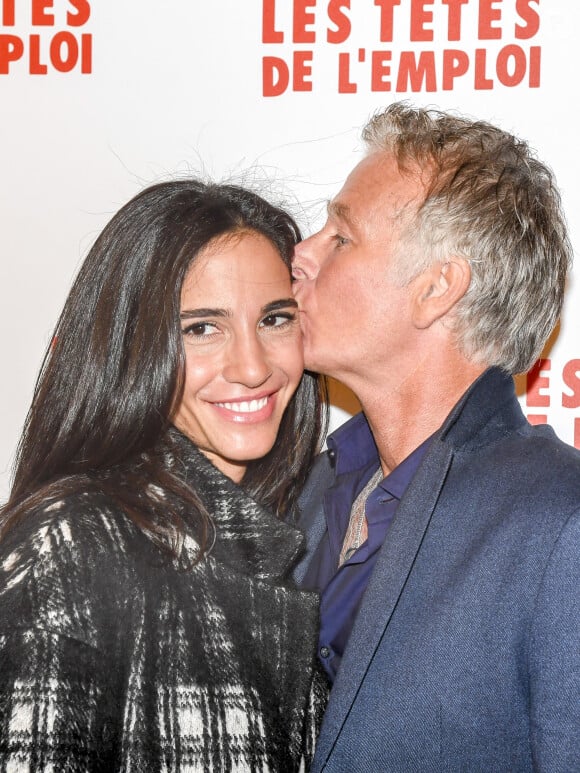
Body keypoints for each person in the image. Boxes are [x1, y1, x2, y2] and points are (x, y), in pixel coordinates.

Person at [0, 179, 329, 771]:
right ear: (132, 348)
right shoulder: (71, 544)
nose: (253, 367)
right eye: (201, 328)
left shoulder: (272, 538)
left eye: (275, 319)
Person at [291, 101, 580, 772]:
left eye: (341, 235)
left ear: (437, 288)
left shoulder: (560, 524)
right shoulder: (302, 495)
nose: (301, 255)